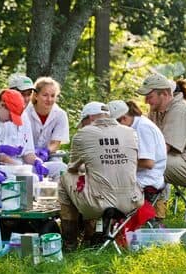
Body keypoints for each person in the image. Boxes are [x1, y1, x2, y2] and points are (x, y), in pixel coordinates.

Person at [58, 102, 143, 250]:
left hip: (99, 203)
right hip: (132, 201)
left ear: (89, 118)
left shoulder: (84, 134)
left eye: (83, 123)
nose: (83, 126)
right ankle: (97, 234)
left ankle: (70, 243)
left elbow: (73, 168)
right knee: (101, 180)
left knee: (65, 178)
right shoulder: (130, 132)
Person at [136, 73, 186, 187]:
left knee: (148, 164)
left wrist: (132, 159)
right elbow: (147, 140)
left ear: (164, 94)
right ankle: (154, 202)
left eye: (149, 96)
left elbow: (162, 150)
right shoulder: (156, 110)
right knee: (140, 162)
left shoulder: (180, 111)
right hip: (177, 159)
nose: (145, 101)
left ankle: (140, 202)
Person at [108, 99, 167, 225]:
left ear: (123, 119)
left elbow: (148, 163)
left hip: (148, 178)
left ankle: (113, 226)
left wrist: (120, 162)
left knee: (107, 187)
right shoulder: (134, 126)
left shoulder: (142, 128)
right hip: (138, 174)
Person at [24, 76, 69, 180]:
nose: (49, 99)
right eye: (45, 95)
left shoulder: (60, 115)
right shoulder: (25, 113)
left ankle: (56, 196)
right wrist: (32, 153)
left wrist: (45, 152)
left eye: (53, 96)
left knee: (62, 170)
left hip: (50, 156)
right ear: (35, 95)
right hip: (27, 155)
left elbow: (55, 143)